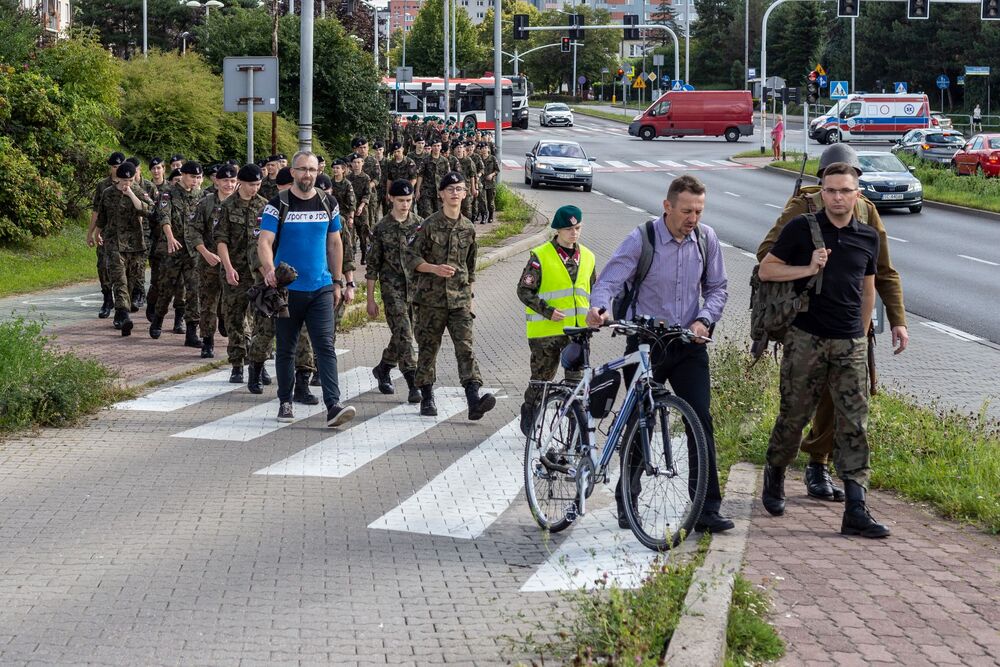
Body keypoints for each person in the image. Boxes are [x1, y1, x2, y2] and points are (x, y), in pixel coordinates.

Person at [756, 143, 908, 502]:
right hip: (807, 324)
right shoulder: (802, 209)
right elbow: (766, 257)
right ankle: (777, 470)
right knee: (797, 408)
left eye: (847, 188)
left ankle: (822, 466)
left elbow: (881, 270)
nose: (840, 197)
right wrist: (807, 265)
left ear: (857, 187)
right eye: (832, 188)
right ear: (822, 184)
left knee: (847, 412)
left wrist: (889, 320)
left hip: (851, 328)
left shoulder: (867, 213)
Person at [587, 174, 733, 534]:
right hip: (645, 343)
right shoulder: (643, 239)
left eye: (699, 211)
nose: (693, 218)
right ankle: (628, 499)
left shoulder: (706, 238)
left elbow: (718, 288)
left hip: (687, 342)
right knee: (643, 423)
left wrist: (704, 320)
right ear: (667, 206)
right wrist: (600, 309)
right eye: (687, 211)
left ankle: (706, 508)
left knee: (700, 419)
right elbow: (608, 281)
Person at [256, 151, 356, 427]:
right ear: (293, 171)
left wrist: (338, 281)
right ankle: (285, 401)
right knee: (286, 348)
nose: (307, 175)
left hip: (321, 287)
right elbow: (265, 242)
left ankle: (333, 405)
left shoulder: (328, 203)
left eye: (312, 169)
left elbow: (335, 243)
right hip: (287, 290)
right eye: (302, 169)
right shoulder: (277, 204)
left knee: (325, 345)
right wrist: (269, 270)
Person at [405, 171, 495, 421]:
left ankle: (474, 398)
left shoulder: (468, 227)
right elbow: (410, 257)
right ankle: (427, 396)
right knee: (428, 349)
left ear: (466, 194)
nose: (456, 193)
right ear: (441, 194)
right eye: (451, 189)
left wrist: (470, 296)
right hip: (430, 301)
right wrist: (433, 268)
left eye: (460, 189)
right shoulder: (428, 225)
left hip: (460, 301)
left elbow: (471, 265)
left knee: (465, 348)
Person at [517, 205, 596, 436]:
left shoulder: (588, 257)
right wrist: (547, 310)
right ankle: (530, 413)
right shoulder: (541, 256)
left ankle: (575, 431)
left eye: (577, 228)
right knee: (542, 381)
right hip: (546, 332)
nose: (574, 233)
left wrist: (597, 314)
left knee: (576, 385)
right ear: (558, 230)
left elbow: (595, 290)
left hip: (577, 332)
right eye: (569, 229)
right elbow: (524, 291)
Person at [367, 179, 422, 404]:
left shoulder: (420, 225)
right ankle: (413, 383)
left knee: (402, 335)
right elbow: (372, 266)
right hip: (392, 289)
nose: (405, 205)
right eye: (401, 200)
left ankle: (383, 368)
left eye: (408, 200)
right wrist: (370, 299)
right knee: (405, 335)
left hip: (416, 289)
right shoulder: (381, 228)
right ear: (391, 199)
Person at [216, 164, 267, 387]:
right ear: (241, 183)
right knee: (234, 318)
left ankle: (259, 363)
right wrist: (227, 268)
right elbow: (221, 240)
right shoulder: (227, 206)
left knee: (261, 320)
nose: (254, 188)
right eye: (250, 184)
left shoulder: (266, 207)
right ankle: (237, 364)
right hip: (235, 271)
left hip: (259, 273)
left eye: (257, 184)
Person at [93, 161, 154, 336]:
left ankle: (121, 312)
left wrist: (132, 196)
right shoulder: (108, 193)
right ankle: (123, 315)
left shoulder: (138, 191)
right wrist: (97, 233)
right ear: (118, 178)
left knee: (130, 280)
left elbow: (150, 211)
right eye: (124, 181)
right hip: (114, 243)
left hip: (134, 245)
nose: (127, 184)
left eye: (130, 180)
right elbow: (102, 217)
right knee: (119, 279)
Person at [150, 161, 204, 347]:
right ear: (183, 176)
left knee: (194, 291)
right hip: (174, 250)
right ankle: (158, 319)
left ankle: (191, 332)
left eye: (198, 177)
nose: (195, 181)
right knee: (166, 288)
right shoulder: (169, 193)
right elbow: (164, 216)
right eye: (192, 177)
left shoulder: (201, 196)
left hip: (193, 252)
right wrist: (170, 237)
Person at [188, 163, 237, 361]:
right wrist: (205, 252)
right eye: (225, 180)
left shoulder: (241, 203)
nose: (229, 184)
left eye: (233, 181)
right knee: (207, 303)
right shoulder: (206, 203)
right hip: (209, 262)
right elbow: (193, 230)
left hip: (234, 264)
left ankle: (234, 338)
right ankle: (207, 341)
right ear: (216, 181)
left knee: (231, 303)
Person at [89, 151, 126, 319]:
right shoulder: (102, 186)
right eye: (114, 167)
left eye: (120, 166)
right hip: (105, 233)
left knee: (123, 271)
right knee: (103, 266)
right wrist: (91, 232)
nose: (117, 169)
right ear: (110, 168)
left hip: (126, 236)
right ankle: (107, 298)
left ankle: (123, 305)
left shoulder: (130, 184)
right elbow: (97, 211)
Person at [416, 138, 450, 218]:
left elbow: (448, 177)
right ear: (431, 147)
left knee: (438, 213)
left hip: (439, 191)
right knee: (427, 212)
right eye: (434, 146)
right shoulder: (425, 160)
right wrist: (417, 190)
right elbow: (420, 175)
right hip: (426, 190)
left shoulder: (444, 161)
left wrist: (447, 191)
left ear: (441, 147)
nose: (436, 148)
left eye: (438, 146)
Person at [477, 143, 499, 224]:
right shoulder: (478, 159)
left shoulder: (492, 158)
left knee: (490, 201)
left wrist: (492, 174)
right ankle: (483, 216)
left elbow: (497, 170)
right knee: (482, 200)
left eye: (486, 148)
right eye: (482, 148)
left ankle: (491, 216)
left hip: (490, 183)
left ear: (488, 149)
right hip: (481, 183)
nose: (484, 149)